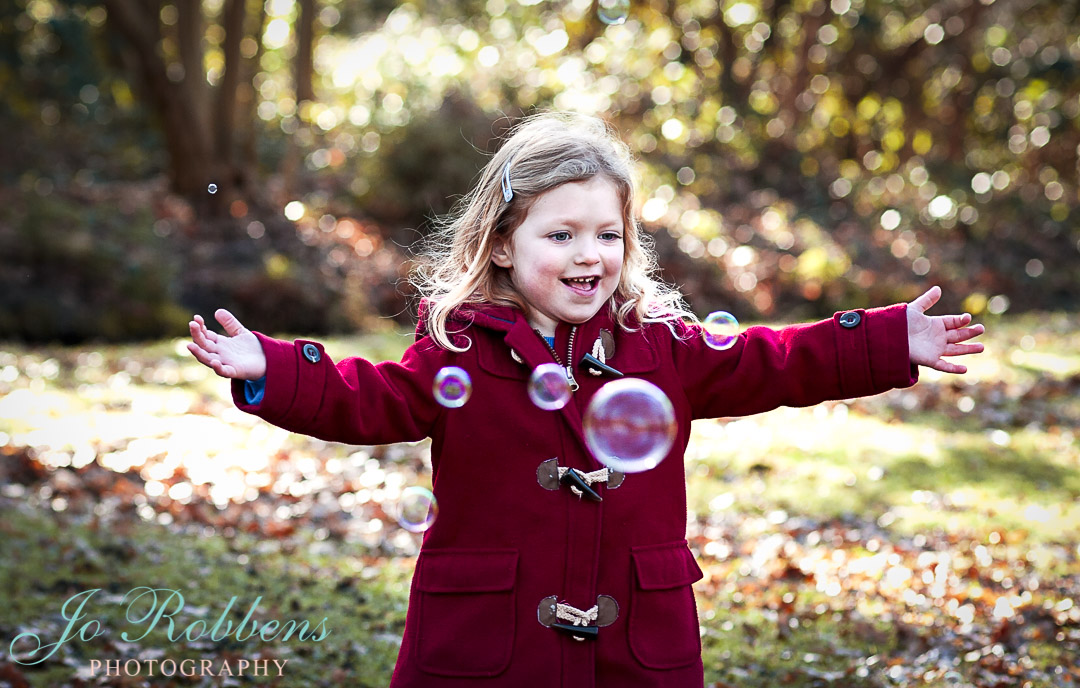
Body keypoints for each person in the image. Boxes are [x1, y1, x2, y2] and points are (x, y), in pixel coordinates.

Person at [187, 112, 985, 688]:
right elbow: (370, 399)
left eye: (607, 235)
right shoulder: (461, 349)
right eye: (560, 235)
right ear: (503, 244)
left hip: (634, 638)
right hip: (490, 646)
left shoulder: (661, 347)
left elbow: (774, 362)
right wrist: (274, 366)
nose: (588, 255)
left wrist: (885, 341)